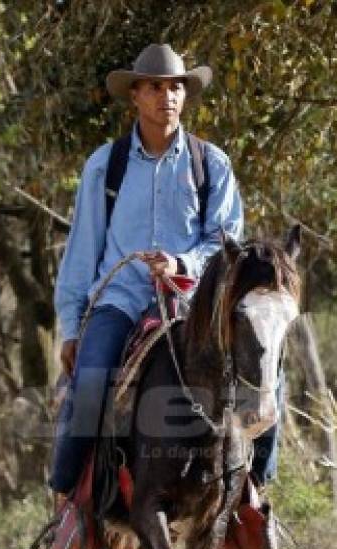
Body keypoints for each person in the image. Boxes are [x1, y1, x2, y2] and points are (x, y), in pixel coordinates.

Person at [49, 42, 282, 511]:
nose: (167, 96)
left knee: (267, 376)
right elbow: (82, 252)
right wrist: (73, 327)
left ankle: (253, 496)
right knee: (91, 383)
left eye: (175, 87)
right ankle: (68, 504)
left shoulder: (211, 164)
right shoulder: (105, 166)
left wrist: (181, 265)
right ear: (135, 95)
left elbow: (226, 243)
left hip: (192, 306)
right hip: (120, 300)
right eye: (155, 87)